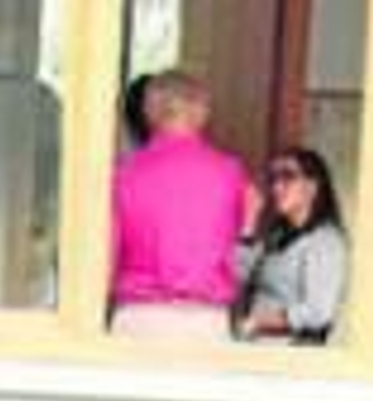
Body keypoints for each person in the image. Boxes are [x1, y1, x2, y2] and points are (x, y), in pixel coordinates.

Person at [109, 70, 258, 339]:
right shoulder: (230, 173)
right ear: (201, 112)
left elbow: (104, 257)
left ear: (149, 112)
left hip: (137, 319)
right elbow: (239, 263)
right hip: (206, 322)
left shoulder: (123, 174)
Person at [235, 146, 349, 344]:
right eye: (274, 179)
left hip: (293, 360)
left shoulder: (324, 242)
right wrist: (249, 221)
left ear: (312, 187)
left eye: (288, 177)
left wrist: (259, 321)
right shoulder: (278, 237)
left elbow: (319, 311)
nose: (277, 187)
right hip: (260, 351)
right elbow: (240, 273)